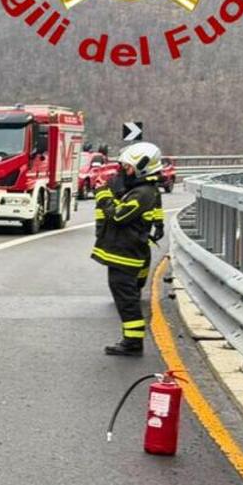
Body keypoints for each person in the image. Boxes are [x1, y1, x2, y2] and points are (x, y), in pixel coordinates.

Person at [92, 141, 167, 356]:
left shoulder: (142, 193)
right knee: (125, 297)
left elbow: (118, 215)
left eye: (128, 168)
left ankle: (133, 343)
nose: (124, 171)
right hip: (126, 252)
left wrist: (103, 195)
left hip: (126, 255)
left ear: (142, 168)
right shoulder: (141, 189)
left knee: (127, 300)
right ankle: (131, 341)